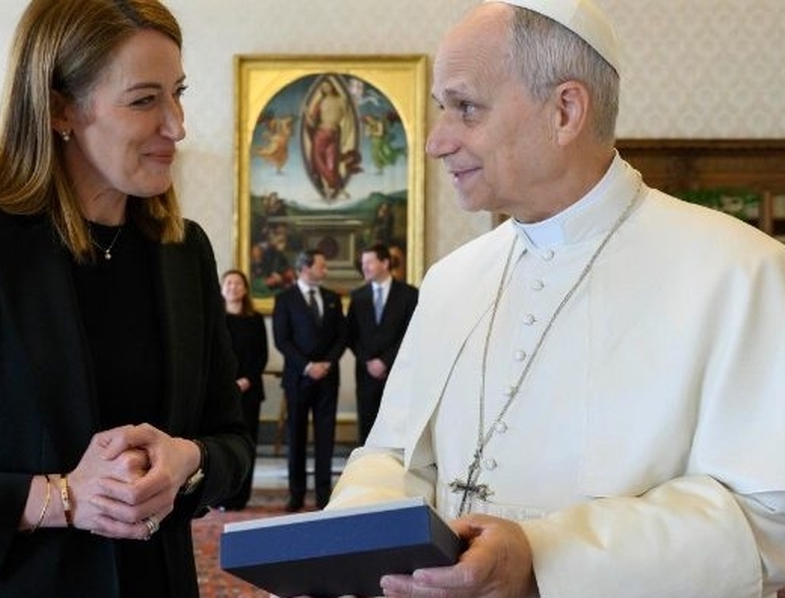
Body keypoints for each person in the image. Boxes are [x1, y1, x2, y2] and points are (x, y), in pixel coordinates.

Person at [325, 1, 785, 597]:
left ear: (565, 110)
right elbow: (395, 454)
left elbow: (766, 517)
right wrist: (355, 540)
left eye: (466, 107)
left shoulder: (740, 271)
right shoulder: (452, 278)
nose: (437, 141)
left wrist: (542, 558)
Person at [0, 1, 252, 596]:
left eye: (178, 93)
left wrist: (189, 460)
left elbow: (233, 444)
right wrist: (59, 498)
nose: (178, 125)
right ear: (59, 109)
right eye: (145, 100)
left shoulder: (184, 251)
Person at [272, 249, 347, 511]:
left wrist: (326, 363)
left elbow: (342, 336)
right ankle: (296, 494)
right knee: (296, 438)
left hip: (327, 378)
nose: (325, 270)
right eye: (321, 265)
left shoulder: (333, 298)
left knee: (326, 439)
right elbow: (282, 340)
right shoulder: (285, 299)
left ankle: (323, 494)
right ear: (305, 268)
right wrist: (307, 366)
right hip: (297, 378)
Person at [345, 243, 418, 444]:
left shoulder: (409, 294)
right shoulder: (358, 296)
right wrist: (369, 362)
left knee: (397, 427)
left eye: (369, 262)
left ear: (385, 263)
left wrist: (385, 361)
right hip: (366, 373)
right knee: (367, 426)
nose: (364, 267)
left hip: (398, 371)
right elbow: (351, 335)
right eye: (363, 263)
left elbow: (411, 334)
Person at [218, 269, 269, 511]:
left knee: (248, 443)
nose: (233, 287)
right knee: (222, 445)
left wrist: (247, 379)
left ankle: (241, 497)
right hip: (222, 392)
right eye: (228, 283)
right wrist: (228, 382)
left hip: (250, 391)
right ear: (221, 288)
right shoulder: (215, 318)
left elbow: (262, 355)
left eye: (238, 283)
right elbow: (212, 355)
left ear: (246, 289)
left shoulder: (255, 318)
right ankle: (221, 495)